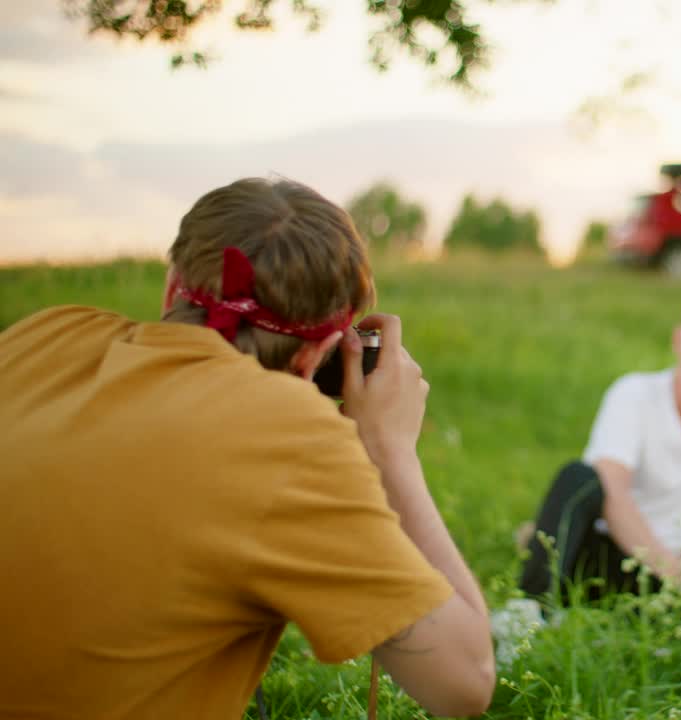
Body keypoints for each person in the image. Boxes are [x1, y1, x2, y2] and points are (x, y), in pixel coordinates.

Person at [0, 179, 494, 719]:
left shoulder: (45, 336)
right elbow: (465, 683)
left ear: (172, 289)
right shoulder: (290, 438)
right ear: (323, 356)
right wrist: (389, 448)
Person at [518, 290, 681, 601]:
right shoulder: (634, 393)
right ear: (679, 340)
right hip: (611, 548)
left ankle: (606, 609)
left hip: (669, 567)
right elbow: (613, 492)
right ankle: (529, 608)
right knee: (579, 477)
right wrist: (671, 571)